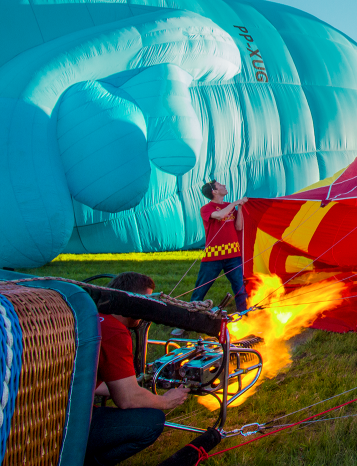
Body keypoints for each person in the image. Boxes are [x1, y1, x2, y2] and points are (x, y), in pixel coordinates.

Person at [87, 272, 188, 465]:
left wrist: (118, 385)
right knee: (152, 421)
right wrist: (166, 401)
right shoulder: (115, 332)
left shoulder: (93, 316)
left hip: (55, 407)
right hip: (69, 424)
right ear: (134, 302)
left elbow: (82, 376)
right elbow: (127, 400)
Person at [191, 179, 249, 311]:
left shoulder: (230, 206)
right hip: (213, 256)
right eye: (220, 185)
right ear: (214, 191)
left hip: (233, 254)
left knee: (239, 288)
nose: (224, 185)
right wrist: (235, 203)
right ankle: (188, 317)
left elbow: (239, 227)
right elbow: (220, 215)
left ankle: (245, 317)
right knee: (201, 290)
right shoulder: (206, 208)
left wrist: (239, 208)